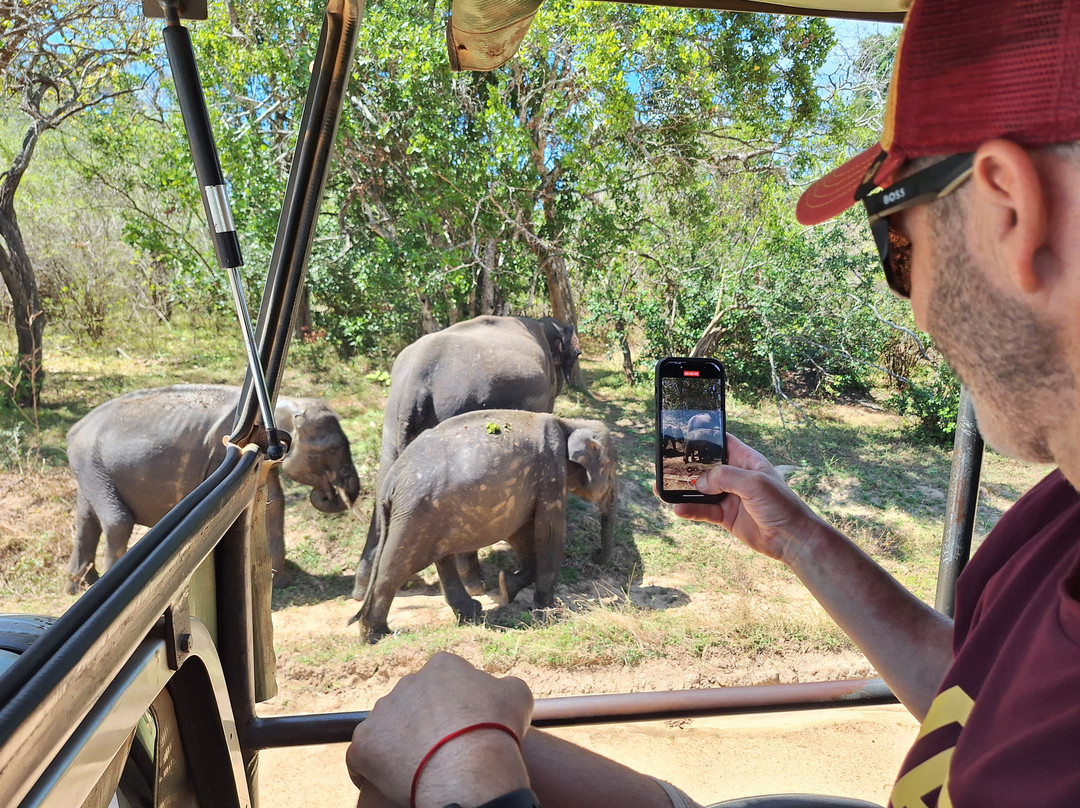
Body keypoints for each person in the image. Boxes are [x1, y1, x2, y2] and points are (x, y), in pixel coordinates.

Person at [346, 0, 1080, 805]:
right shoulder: (1051, 523)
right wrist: (800, 537)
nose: (913, 301)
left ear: (1013, 209)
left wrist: (473, 779)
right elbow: (974, 703)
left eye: (896, 244)